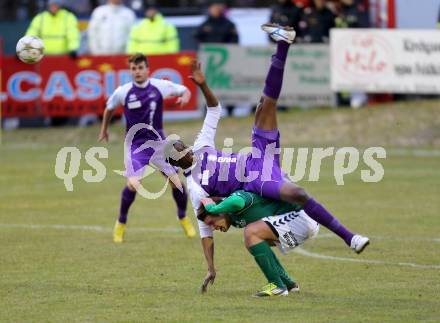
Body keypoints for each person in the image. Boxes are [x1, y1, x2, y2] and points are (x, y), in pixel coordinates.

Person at [165, 24, 369, 277]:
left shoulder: (201, 146)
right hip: (257, 180)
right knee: (298, 193)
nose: (184, 149)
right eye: (178, 152)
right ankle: (350, 238)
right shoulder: (194, 185)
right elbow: (206, 228)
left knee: (265, 105)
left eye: (181, 144)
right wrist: (210, 268)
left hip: (259, 155)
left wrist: (204, 86)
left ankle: (283, 43)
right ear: (175, 162)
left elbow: (214, 110)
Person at [98, 53, 196, 242]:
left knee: (177, 183)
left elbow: (185, 90)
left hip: (159, 145)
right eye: (134, 69)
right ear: (131, 71)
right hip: (135, 145)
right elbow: (109, 108)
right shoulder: (123, 91)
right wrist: (104, 129)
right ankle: (121, 223)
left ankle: (183, 217)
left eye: (141, 67)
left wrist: (184, 97)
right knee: (133, 184)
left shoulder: (160, 86)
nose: (137, 71)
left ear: (147, 69)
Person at [198, 190, 319, 297]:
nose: (213, 228)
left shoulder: (236, 199)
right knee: (254, 241)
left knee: (251, 234)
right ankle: (289, 284)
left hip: (301, 217)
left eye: (212, 222)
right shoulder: (234, 220)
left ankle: (277, 286)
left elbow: (236, 201)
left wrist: (212, 208)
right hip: (298, 224)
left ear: (221, 211)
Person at [194, 0, 239, 117]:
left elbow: (235, 40)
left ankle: (230, 109)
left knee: (228, 84)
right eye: (214, 7)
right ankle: (207, 108)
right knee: (208, 86)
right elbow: (197, 39)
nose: (216, 9)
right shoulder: (204, 24)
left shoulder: (229, 24)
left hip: (226, 61)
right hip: (209, 63)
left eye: (218, 7)